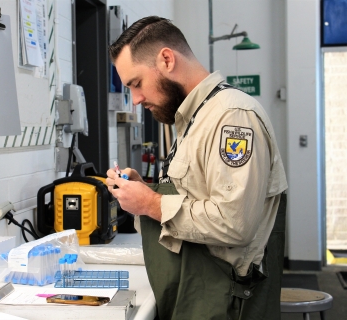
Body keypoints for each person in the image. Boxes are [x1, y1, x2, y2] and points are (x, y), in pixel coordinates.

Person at [106, 16, 288, 320]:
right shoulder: (194, 118)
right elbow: (195, 197)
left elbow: (234, 223)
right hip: (196, 294)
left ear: (166, 59)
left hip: (225, 300)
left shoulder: (232, 116)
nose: (135, 100)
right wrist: (142, 192)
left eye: (136, 84)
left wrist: (151, 204)